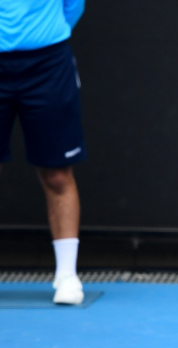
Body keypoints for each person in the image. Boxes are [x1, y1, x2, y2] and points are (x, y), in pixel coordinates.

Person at [0, 0, 87, 305]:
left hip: (48, 63)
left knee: (58, 174)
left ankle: (67, 275)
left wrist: (43, 35)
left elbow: (73, 6)